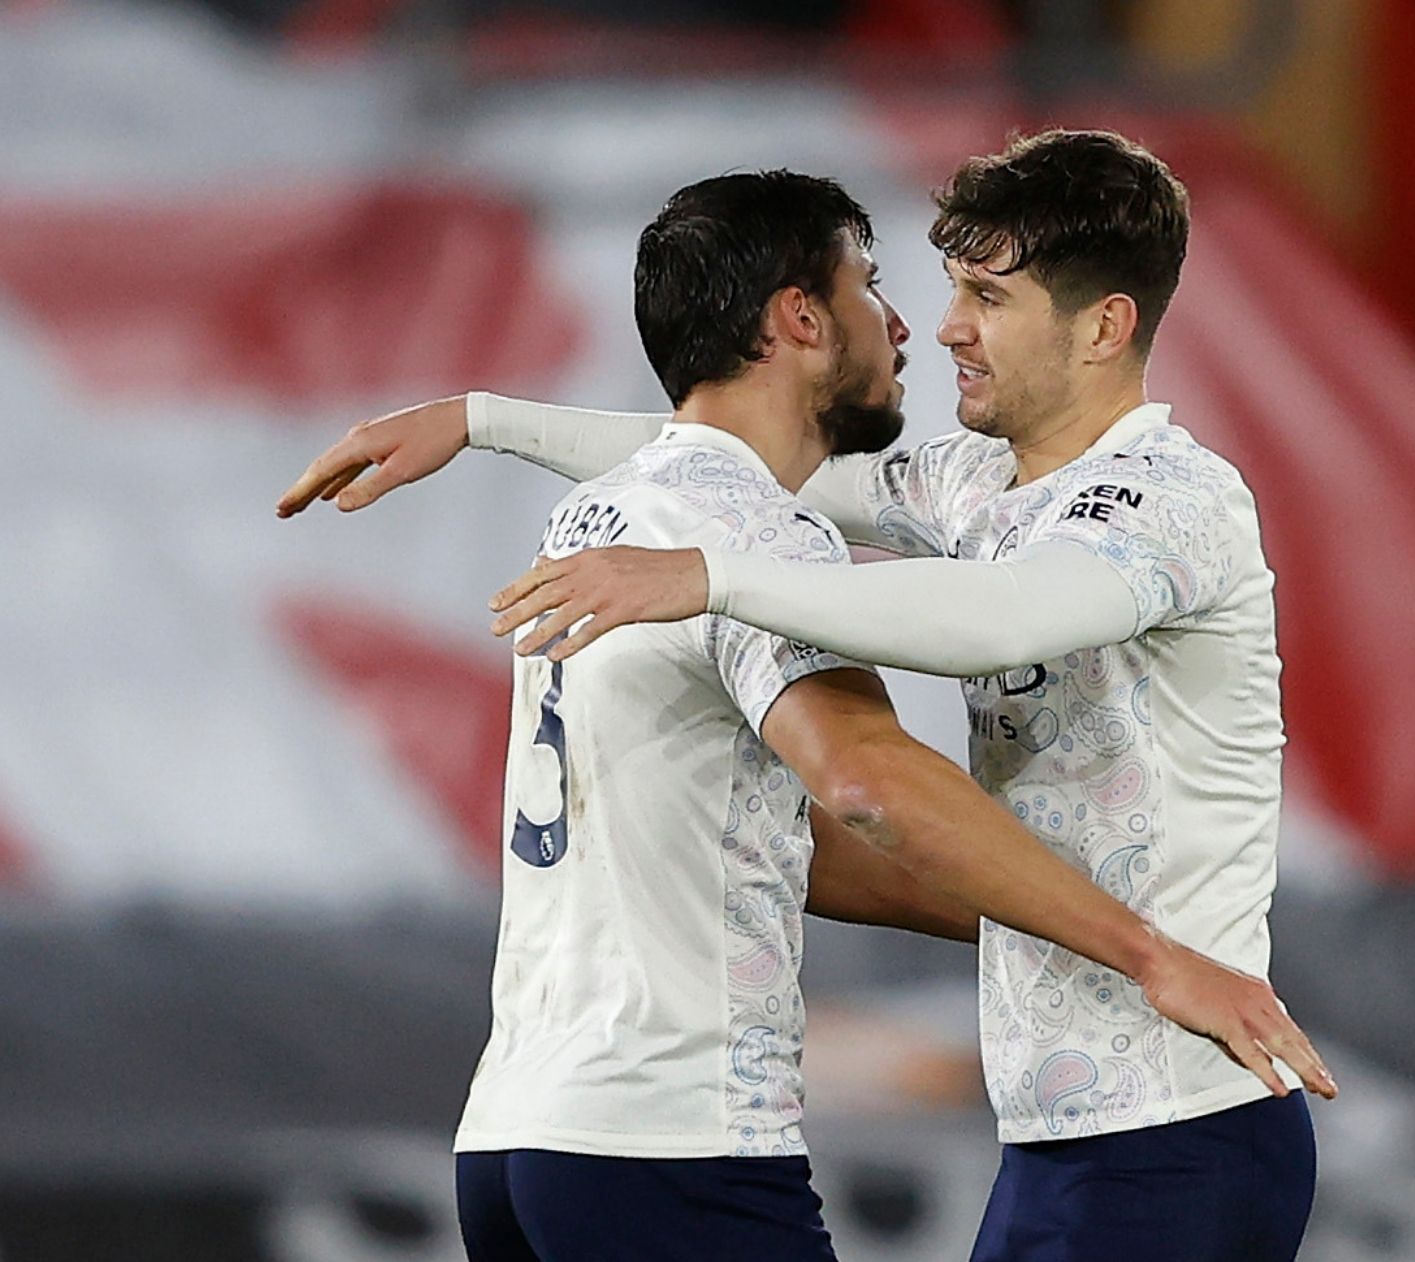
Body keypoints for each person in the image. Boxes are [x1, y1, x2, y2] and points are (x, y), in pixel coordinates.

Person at [280, 133, 1335, 1262]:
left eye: (989, 295)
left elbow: (1002, 614)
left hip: (1179, 1108)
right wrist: (486, 420)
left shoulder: (1174, 501)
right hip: (1053, 1127)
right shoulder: (970, 483)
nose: (942, 328)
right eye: (938, 290)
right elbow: (717, 451)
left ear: (1104, 326)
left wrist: (704, 575)